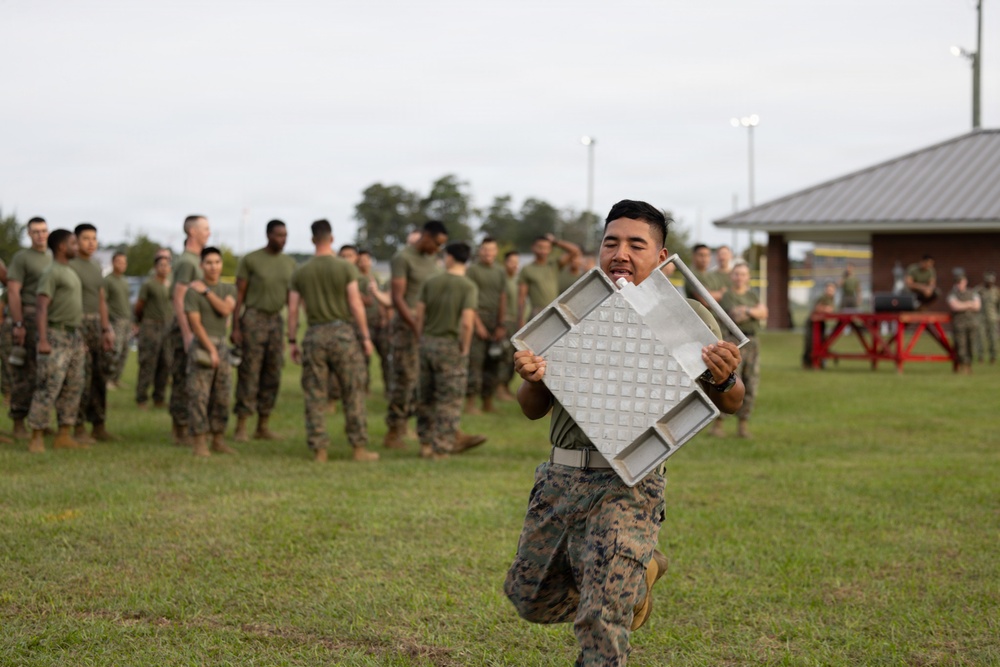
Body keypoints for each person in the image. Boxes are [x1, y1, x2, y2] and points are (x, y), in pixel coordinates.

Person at [504, 200, 744, 666]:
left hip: (630, 482)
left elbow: (731, 401)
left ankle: (617, 584)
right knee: (528, 597)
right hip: (561, 477)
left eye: (637, 244)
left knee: (600, 616)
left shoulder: (686, 315)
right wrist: (532, 377)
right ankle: (641, 573)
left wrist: (725, 376)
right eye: (611, 242)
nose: (621, 253)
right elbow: (533, 408)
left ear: (660, 255)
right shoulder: (574, 309)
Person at [287, 219, 378, 463]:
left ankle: (320, 450)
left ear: (312, 239)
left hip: (315, 334)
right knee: (353, 391)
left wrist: (292, 341)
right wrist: (366, 337)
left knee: (315, 394)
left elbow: (293, 310)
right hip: (342, 335)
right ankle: (359, 448)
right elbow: (356, 303)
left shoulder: (301, 271)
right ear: (332, 239)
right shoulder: (346, 268)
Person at [416, 242, 487, 459]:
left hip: (428, 343)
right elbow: (467, 323)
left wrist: (421, 338)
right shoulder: (468, 287)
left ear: (448, 257)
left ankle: (425, 444)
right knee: (450, 399)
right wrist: (465, 348)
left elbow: (420, 315)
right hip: (450, 346)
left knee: (426, 396)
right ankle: (442, 447)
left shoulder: (431, 282)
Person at [384, 221, 448, 450]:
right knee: (404, 379)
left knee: (422, 382)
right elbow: (397, 298)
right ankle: (394, 430)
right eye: (437, 243)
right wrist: (414, 326)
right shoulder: (403, 258)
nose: (438, 249)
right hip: (406, 327)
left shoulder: (433, 260)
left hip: (427, 328)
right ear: (426, 237)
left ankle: (412, 427)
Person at [231, 219, 296, 442]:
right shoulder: (251, 260)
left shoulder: (289, 263)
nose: (283, 239)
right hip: (253, 319)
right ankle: (241, 425)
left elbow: (291, 299)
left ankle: (263, 424)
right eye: (279, 235)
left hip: (275, 321)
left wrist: (291, 330)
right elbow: (239, 295)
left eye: (285, 235)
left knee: (273, 373)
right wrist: (236, 325)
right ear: (268, 235)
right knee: (250, 373)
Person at [26, 229, 87, 453]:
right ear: (62, 247)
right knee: (48, 386)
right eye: (73, 242)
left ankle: (64, 435)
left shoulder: (69, 271)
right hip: (55, 335)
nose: (77, 246)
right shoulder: (51, 272)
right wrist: (43, 339)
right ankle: (36, 436)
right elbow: (41, 307)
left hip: (73, 336)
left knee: (74, 385)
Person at [184, 247, 237, 456]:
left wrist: (206, 292)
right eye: (209, 263)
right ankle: (199, 441)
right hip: (203, 344)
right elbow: (195, 324)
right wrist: (210, 349)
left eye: (217, 262)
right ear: (201, 266)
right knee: (199, 395)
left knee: (223, 395)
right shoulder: (191, 292)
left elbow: (225, 310)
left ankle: (218, 438)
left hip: (222, 344)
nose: (213, 267)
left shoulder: (227, 289)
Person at [69, 223, 116, 444]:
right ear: (76, 241)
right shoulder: (70, 266)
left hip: (96, 324)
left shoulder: (96, 266)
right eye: (86, 238)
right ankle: (78, 427)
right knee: (81, 377)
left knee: (99, 375)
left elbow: (101, 299)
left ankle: (99, 425)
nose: (91, 243)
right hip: (78, 323)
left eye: (94, 238)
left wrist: (106, 328)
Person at [7, 216, 52, 439]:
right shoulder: (22, 258)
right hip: (29, 316)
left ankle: (39, 419)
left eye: (43, 231)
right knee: (25, 373)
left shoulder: (53, 256)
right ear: (29, 234)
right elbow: (14, 291)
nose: (40, 235)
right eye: (35, 231)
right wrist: (18, 323)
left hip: (49, 320)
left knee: (45, 373)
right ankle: (18, 422)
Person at [168, 215, 211, 446]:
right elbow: (178, 297)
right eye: (205, 228)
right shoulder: (188, 261)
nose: (209, 233)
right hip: (185, 328)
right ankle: (180, 429)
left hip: (195, 326)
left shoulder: (196, 260)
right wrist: (187, 333)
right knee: (183, 378)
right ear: (192, 232)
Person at [713, 262, 767, 439]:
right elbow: (735, 315)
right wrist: (753, 312)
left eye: (743, 274)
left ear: (748, 277)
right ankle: (718, 424)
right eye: (736, 274)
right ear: (731, 276)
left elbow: (764, 312)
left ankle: (743, 425)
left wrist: (749, 311)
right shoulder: (728, 295)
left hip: (752, 342)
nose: (740, 277)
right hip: (734, 342)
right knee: (730, 381)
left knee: (751, 382)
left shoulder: (752, 295)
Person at [464, 237, 507, 414]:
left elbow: (503, 298)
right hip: (477, 316)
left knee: (493, 362)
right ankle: (471, 403)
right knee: (475, 361)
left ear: (496, 252)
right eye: (485, 250)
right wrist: (478, 324)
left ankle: (488, 401)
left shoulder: (500, 271)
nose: (488, 253)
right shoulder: (473, 271)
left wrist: (501, 324)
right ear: (479, 251)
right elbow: (469, 299)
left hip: (495, 320)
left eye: (491, 250)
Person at [517, 233, 581, 327]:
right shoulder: (527, 269)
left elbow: (575, 251)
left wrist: (555, 242)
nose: (543, 251)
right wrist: (520, 321)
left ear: (550, 249)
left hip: (554, 310)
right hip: (536, 312)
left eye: (546, 247)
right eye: (540, 247)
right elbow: (521, 298)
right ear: (533, 248)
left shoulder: (554, 265)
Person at [134, 254, 173, 408]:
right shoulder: (149, 285)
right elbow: (139, 306)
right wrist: (141, 321)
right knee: (148, 363)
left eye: (166, 265)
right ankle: (141, 398)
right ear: (155, 267)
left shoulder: (170, 285)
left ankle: (159, 398)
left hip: (167, 326)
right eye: (161, 265)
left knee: (165, 363)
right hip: (151, 326)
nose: (164, 268)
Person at [357, 249, 392, 394]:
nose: (364, 262)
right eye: (361, 259)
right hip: (365, 324)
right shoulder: (356, 279)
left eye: (367, 259)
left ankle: (389, 388)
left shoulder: (375, 277)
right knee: (363, 359)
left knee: (387, 358)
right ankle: (364, 389)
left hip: (380, 324)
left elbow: (382, 300)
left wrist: (385, 317)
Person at [104, 252, 132, 389]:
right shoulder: (108, 280)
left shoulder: (125, 281)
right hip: (115, 320)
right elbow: (104, 301)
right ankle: (108, 378)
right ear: (113, 262)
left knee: (125, 351)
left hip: (126, 320)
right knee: (115, 350)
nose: (122, 265)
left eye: (124, 262)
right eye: (119, 262)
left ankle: (116, 378)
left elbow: (127, 301)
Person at [495, 250, 520, 402]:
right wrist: (501, 323)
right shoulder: (502, 280)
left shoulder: (515, 281)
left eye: (517, 263)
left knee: (511, 357)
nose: (515, 266)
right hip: (506, 322)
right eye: (512, 262)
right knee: (503, 357)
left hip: (514, 323)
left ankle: (505, 387)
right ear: (505, 263)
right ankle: (498, 388)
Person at [947, 274, 981, 375]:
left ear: (965, 282)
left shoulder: (973, 293)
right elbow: (955, 306)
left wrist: (963, 304)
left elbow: (977, 306)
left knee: (971, 344)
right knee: (961, 345)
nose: (959, 285)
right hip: (959, 324)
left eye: (961, 282)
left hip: (972, 323)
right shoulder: (952, 294)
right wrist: (969, 304)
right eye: (957, 283)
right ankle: (962, 365)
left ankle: (969, 364)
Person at [803, 281, 837, 369]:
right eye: (829, 289)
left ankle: (819, 362)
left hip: (820, 323)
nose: (830, 291)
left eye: (832, 290)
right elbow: (818, 308)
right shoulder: (823, 297)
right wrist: (826, 309)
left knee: (821, 342)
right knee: (810, 343)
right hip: (813, 323)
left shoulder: (831, 299)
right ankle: (808, 363)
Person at [974, 271, 998, 364]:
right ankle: (981, 356)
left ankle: (993, 356)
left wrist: (998, 316)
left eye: (991, 281)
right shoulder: (979, 290)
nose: (989, 283)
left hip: (992, 317)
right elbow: (973, 298)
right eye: (988, 281)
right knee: (980, 337)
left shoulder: (996, 292)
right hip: (980, 317)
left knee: (993, 337)